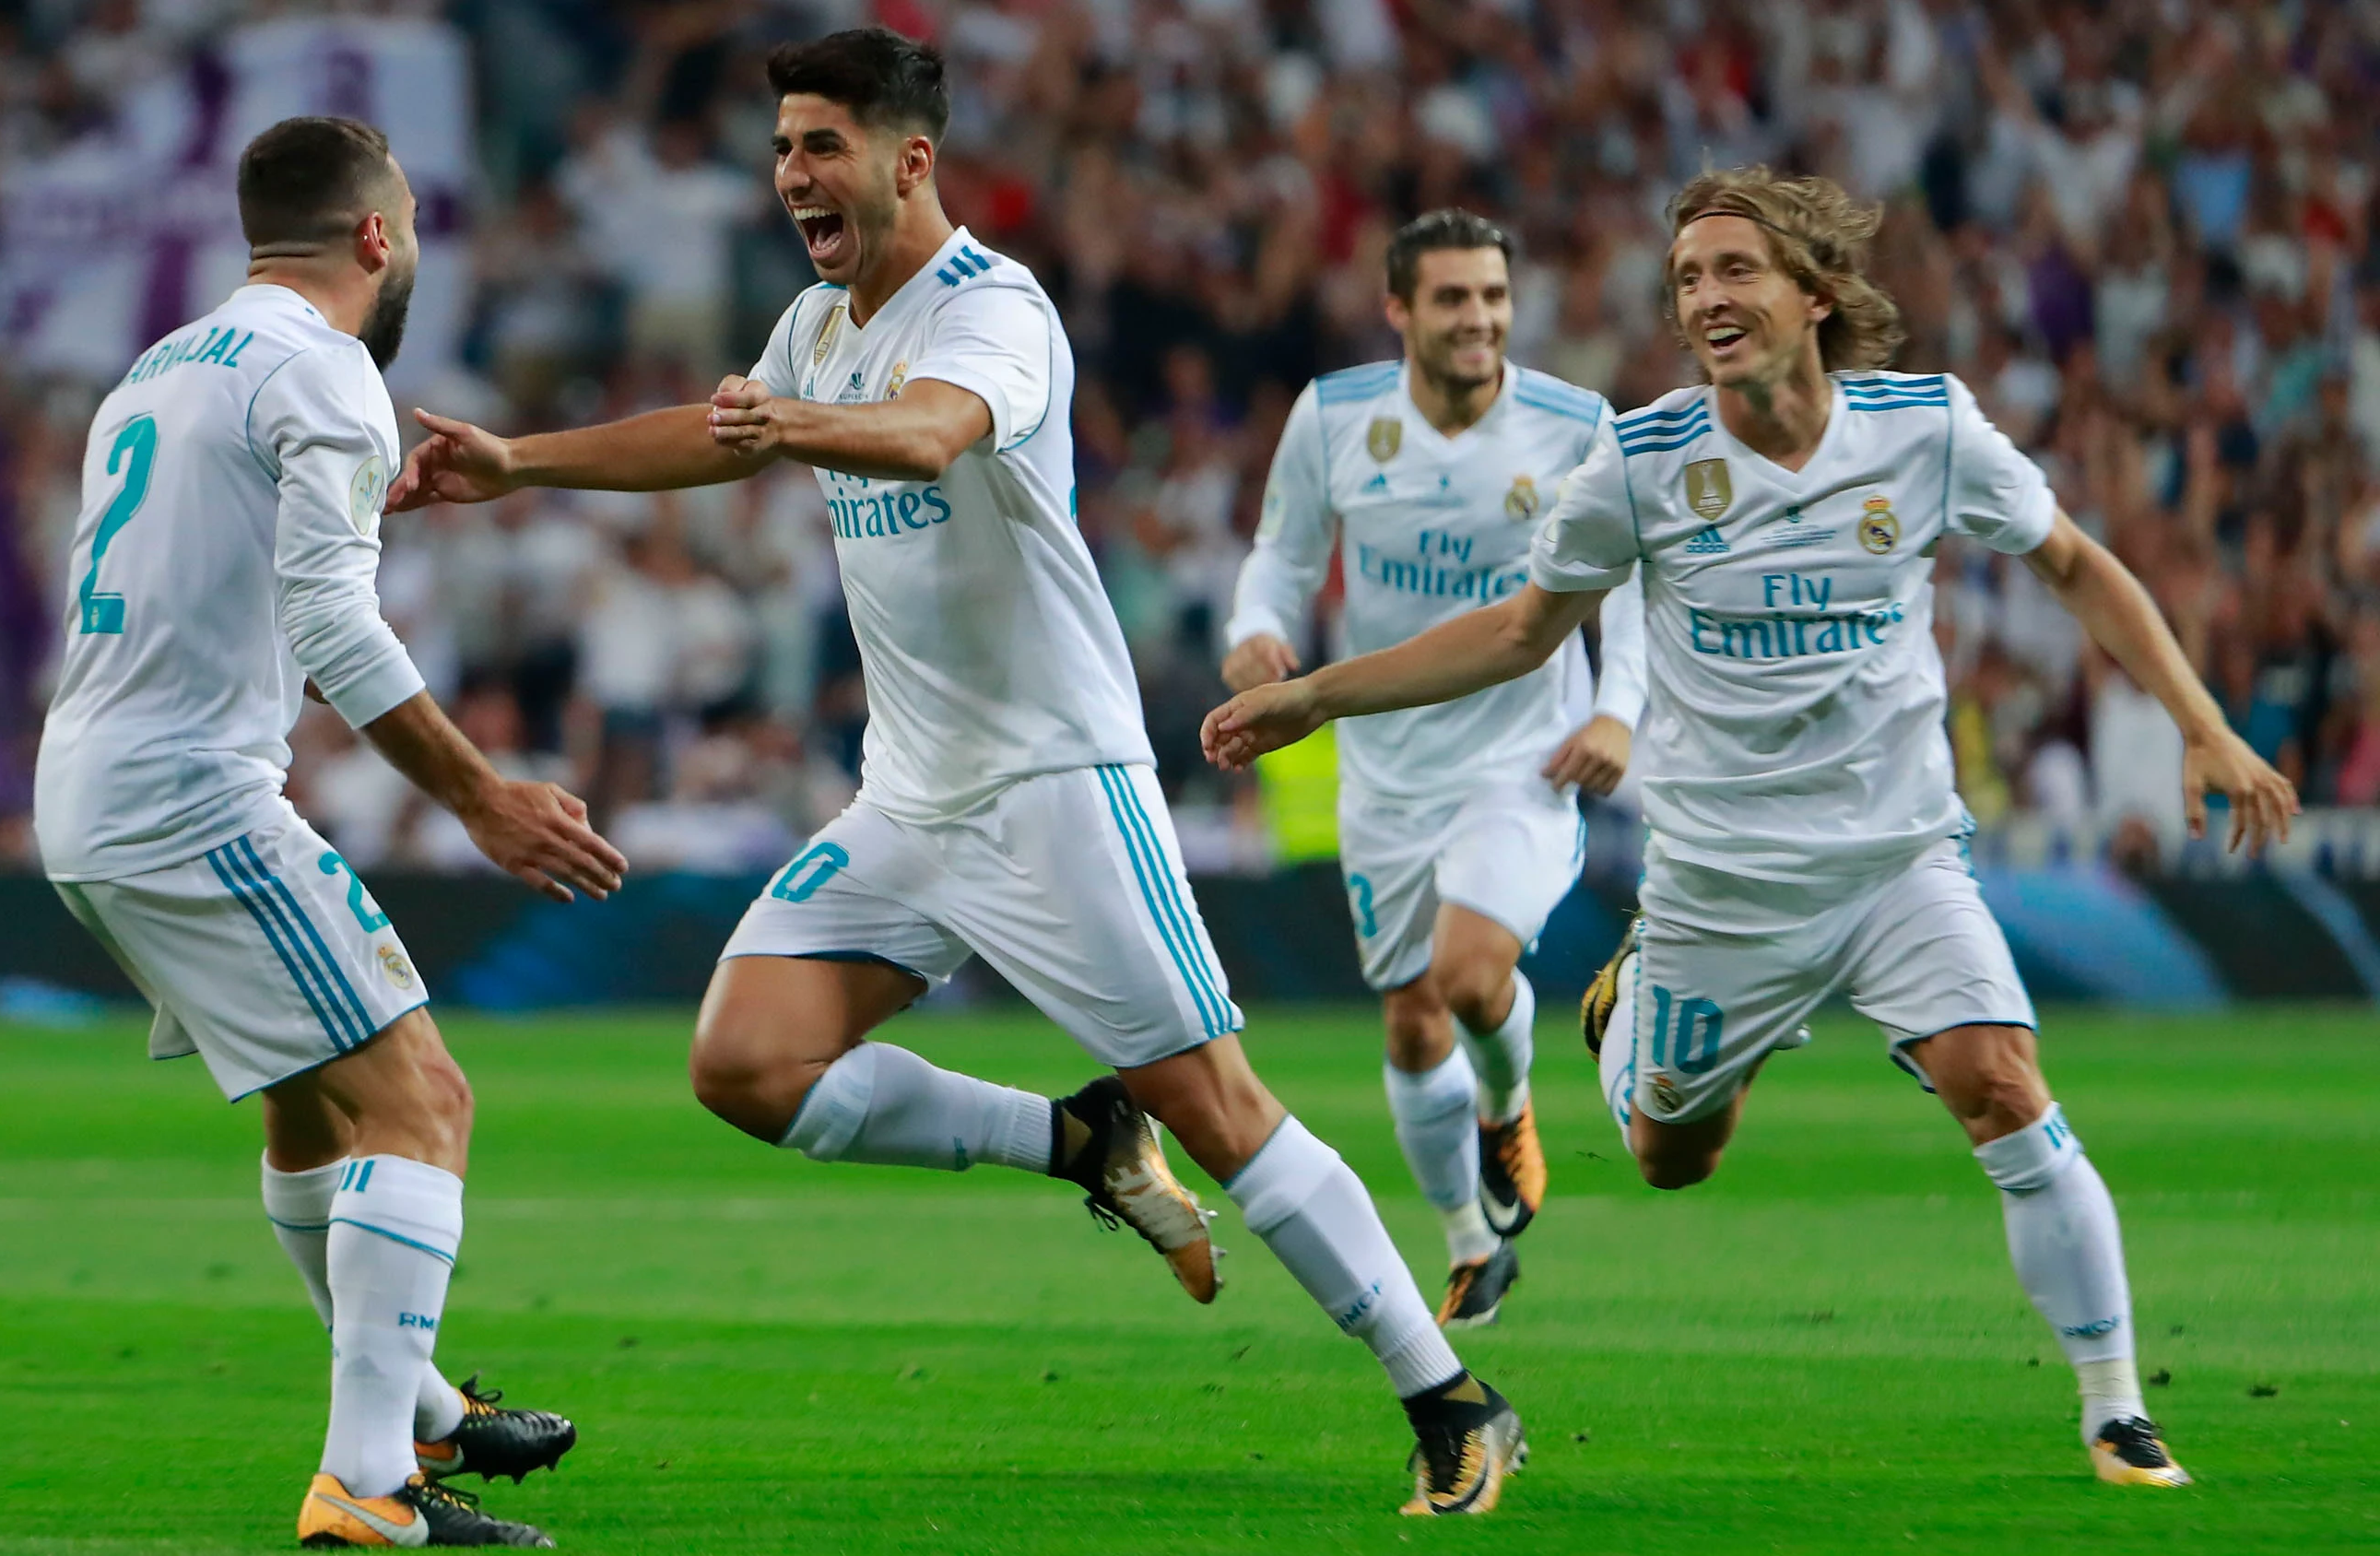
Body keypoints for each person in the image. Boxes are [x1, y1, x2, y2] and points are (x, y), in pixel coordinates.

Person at [389, 28, 1525, 1517]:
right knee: (744, 1059)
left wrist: (791, 421)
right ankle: (1078, 1135)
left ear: (907, 161)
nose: (794, 172)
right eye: (786, 145)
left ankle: (1452, 1394)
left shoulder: (996, 312)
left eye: (821, 146)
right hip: (911, 797)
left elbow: (932, 436)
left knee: (1227, 1109)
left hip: (1059, 786)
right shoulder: (816, 322)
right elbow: (717, 440)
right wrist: (523, 461)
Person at [1202, 166, 2298, 1489]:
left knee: (2002, 1082)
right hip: (1722, 886)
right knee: (1671, 1155)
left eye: (1734, 271)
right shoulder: (1645, 458)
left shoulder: (1927, 430)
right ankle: (1627, 1006)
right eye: (1687, 280)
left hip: (1899, 860)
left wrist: (2201, 720)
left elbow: (2071, 561)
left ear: (1815, 293)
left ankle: (2116, 1406)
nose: (1705, 298)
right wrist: (1311, 696)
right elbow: (1516, 632)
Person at [33, 116, 630, 1549]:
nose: (412, 241)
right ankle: (369, 1480)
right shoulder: (333, 373)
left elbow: (213, 560)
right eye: (411, 219)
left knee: (317, 1110)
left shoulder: (159, 369)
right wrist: (482, 791)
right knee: (425, 1105)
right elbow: (328, 621)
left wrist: (352, 498)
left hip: (89, 794)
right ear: (375, 237)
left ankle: (416, 1410)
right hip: (191, 796)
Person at [1221, 208, 1645, 1329]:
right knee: (1411, 1020)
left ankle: (1507, 1104)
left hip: (1521, 754)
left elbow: (1633, 580)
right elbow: (1282, 552)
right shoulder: (1335, 416)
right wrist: (1257, 626)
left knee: (1467, 972)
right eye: (1455, 298)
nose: (1481, 319)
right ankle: (1470, 1239)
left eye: (1496, 298)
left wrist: (1617, 711)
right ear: (1400, 308)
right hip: (1387, 769)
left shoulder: (1573, 425)